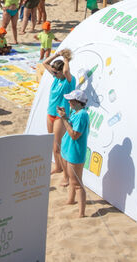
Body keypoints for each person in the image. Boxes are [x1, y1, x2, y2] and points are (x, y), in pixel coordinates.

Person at [42, 49, 74, 186]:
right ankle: (58, 167)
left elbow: (66, 72)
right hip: (50, 112)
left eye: (56, 72)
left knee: (58, 147)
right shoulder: (56, 78)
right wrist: (56, 55)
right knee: (52, 143)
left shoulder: (68, 82)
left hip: (61, 116)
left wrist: (66, 59)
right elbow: (44, 63)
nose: (53, 73)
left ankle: (67, 176)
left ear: (61, 71)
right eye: (53, 72)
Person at [58, 88, 90, 217]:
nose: (69, 102)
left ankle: (81, 213)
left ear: (77, 101)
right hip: (69, 151)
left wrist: (64, 119)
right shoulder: (76, 112)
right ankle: (70, 200)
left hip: (75, 153)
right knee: (72, 180)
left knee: (77, 183)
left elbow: (74, 135)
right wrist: (65, 116)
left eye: (71, 100)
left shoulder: (82, 115)